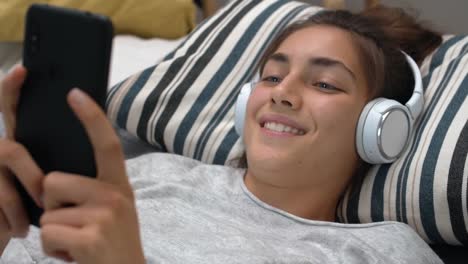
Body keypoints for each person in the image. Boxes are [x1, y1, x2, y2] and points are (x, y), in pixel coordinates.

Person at [0, 5, 443, 263]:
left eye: (324, 83)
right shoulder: (152, 171)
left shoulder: (381, 252)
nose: (282, 95)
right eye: (270, 77)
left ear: (380, 128)